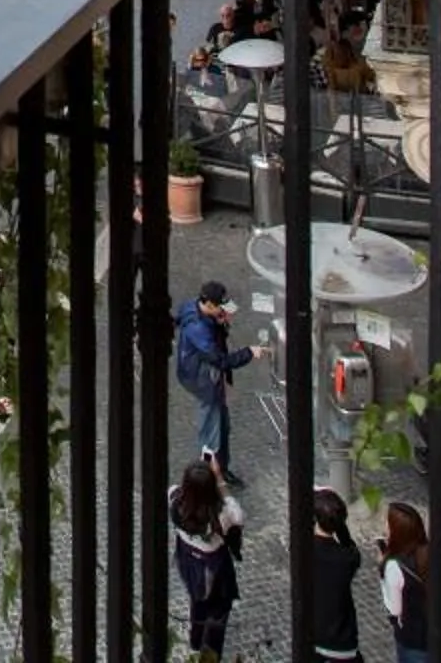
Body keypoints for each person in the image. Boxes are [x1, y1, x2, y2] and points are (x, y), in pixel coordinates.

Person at [172, 280, 264, 482]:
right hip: (204, 381)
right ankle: (208, 476)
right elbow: (221, 360)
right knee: (211, 431)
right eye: (220, 307)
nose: (224, 310)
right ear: (209, 305)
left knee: (222, 424)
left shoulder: (193, 307)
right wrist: (249, 353)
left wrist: (220, 322)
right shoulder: (199, 330)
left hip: (203, 376)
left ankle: (220, 468)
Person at [169, 455, 244, 662]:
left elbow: (177, 490)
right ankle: (211, 653)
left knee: (197, 600)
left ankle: (195, 641)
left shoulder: (175, 502)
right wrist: (219, 480)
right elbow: (238, 516)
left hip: (188, 560)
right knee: (219, 609)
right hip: (215, 567)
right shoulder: (222, 515)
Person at [311, 487, 365, 662]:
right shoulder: (348, 558)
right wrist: (339, 523)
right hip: (341, 638)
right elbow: (349, 545)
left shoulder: (304, 550)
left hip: (313, 634)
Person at [380, 501, 432, 663]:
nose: (384, 527)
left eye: (387, 524)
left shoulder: (394, 566)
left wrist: (382, 576)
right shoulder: (430, 552)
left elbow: (394, 609)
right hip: (434, 632)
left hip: (412, 640)